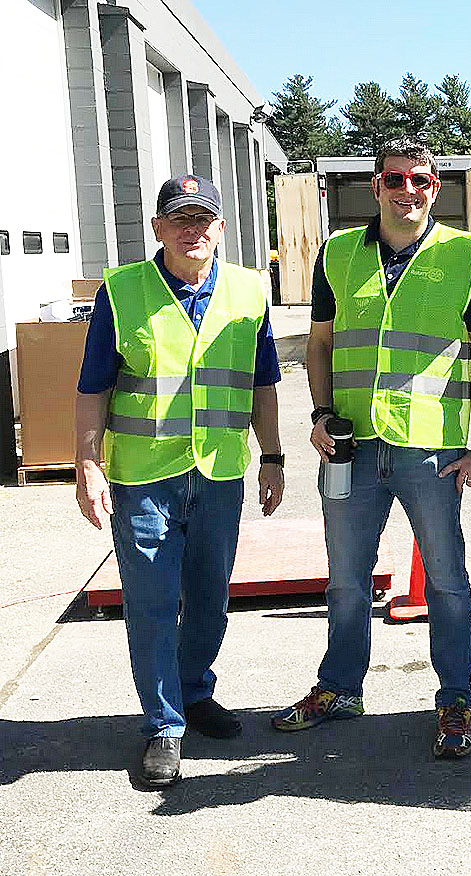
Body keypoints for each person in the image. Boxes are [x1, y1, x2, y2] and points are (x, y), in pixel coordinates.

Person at [271, 139, 471, 758]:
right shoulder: (338, 253)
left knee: (448, 581)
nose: (410, 190)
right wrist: (319, 413)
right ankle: (340, 687)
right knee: (346, 580)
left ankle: (455, 698)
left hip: (428, 451)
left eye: (422, 181)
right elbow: (318, 345)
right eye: (396, 179)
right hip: (349, 446)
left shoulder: (466, 256)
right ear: (376, 187)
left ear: (437, 189)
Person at [75, 174, 285, 788]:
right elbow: (94, 391)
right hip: (145, 477)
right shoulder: (122, 291)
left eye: (204, 220)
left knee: (210, 597)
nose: (193, 230)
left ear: (220, 228)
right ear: (159, 229)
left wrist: (272, 456)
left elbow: (263, 383)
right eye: (180, 219)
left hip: (219, 471)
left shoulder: (250, 290)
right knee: (153, 602)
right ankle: (163, 725)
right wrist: (88, 466)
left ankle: (195, 693)